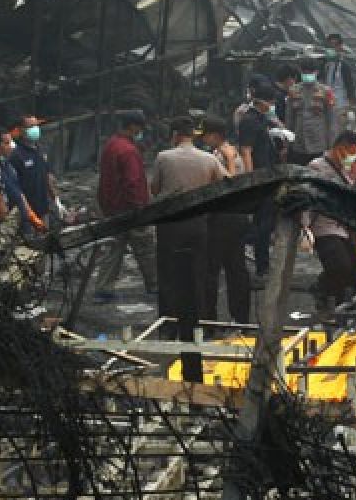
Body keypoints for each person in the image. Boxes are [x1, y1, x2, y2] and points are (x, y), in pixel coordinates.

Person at [150, 116, 224, 335]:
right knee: (197, 272)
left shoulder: (163, 157)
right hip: (198, 223)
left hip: (170, 224)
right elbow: (219, 186)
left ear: (175, 135)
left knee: (168, 274)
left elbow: (155, 190)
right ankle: (196, 323)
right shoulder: (209, 159)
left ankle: (169, 324)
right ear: (192, 135)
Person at [95, 110, 157, 302]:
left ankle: (103, 289)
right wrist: (139, 206)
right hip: (130, 210)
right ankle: (155, 285)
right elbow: (133, 182)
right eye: (139, 128)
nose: (141, 132)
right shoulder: (128, 151)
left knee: (113, 250)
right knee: (145, 248)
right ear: (132, 127)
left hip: (112, 208)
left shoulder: (111, 145)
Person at [304, 130, 356, 315]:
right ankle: (322, 290)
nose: (354, 157)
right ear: (340, 149)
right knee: (340, 265)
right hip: (325, 225)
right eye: (351, 152)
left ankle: (346, 305)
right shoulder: (317, 167)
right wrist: (305, 227)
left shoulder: (348, 168)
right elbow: (307, 196)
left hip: (345, 224)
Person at [199, 116, 251, 325]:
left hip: (227, 218)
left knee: (224, 269)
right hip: (227, 217)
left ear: (215, 136)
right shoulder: (217, 154)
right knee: (230, 267)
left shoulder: (229, 156)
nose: (203, 139)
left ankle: (231, 319)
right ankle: (231, 318)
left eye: (206, 135)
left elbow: (233, 187)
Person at [239, 81, 280, 281]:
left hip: (268, 174)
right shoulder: (249, 120)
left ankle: (262, 264)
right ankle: (259, 264)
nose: (272, 105)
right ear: (263, 101)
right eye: (271, 102)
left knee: (266, 221)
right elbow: (246, 151)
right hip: (259, 178)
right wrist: (251, 179)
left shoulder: (261, 118)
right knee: (262, 224)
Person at [285, 57, 339, 165]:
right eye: (304, 72)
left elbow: (332, 120)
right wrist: (288, 141)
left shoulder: (326, 91)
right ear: (300, 72)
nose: (307, 74)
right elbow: (289, 118)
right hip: (299, 142)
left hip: (319, 143)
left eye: (310, 72)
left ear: (316, 72)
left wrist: (331, 145)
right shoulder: (293, 91)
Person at [9, 114, 58, 229]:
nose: (35, 129)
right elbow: (14, 187)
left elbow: (47, 175)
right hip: (27, 212)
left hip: (44, 208)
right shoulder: (16, 156)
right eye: (30, 126)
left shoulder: (40, 149)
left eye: (36, 125)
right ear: (21, 130)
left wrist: (56, 199)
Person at [322, 32, 356, 113]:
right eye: (330, 45)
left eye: (335, 45)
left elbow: (350, 87)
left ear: (340, 47)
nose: (333, 47)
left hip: (340, 106)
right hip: (326, 105)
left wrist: (350, 106)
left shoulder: (344, 66)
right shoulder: (323, 65)